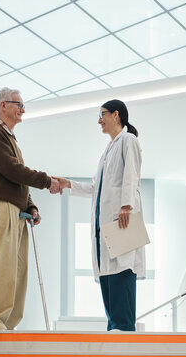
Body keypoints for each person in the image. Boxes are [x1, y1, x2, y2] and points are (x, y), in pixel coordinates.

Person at [55, 99, 145, 331]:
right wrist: (68, 184)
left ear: (116, 115)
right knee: (108, 279)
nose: (99, 120)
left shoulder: (128, 140)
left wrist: (126, 206)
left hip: (122, 222)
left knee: (122, 276)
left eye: (102, 114)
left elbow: (131, 175)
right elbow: (97, 188)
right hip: (105, 227)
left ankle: (123, 334)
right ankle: (115, 332)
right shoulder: (107, 150)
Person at [0, 87, 60, 330]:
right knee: (2, 268)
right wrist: (47, 181)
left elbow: (17, 178)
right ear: (3, 106)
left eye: (23, 106)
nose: (22, 110)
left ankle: (7, 325)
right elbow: (12, 170)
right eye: (18, 105)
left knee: (17, 272)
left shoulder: (10, 137)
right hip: (1, 209)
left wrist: (31, 205)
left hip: (17, 212)